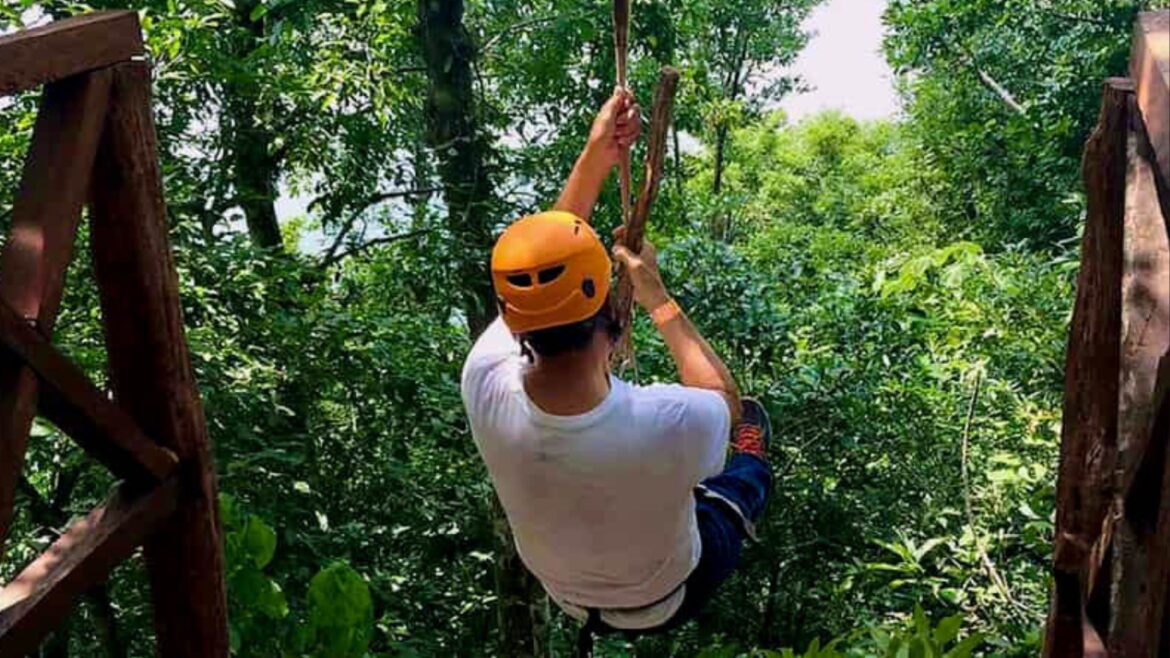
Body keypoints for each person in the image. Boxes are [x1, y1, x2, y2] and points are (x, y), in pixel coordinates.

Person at [460, 90, 773, 645]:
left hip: (570, 596)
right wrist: (657, 293)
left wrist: (597, 152)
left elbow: (543, 263)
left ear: (515, 323)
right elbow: (725, 402)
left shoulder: (483, 380)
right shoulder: (669, 420)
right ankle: (754, 463)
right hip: (668, 596)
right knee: (737, 480)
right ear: (616, 322)